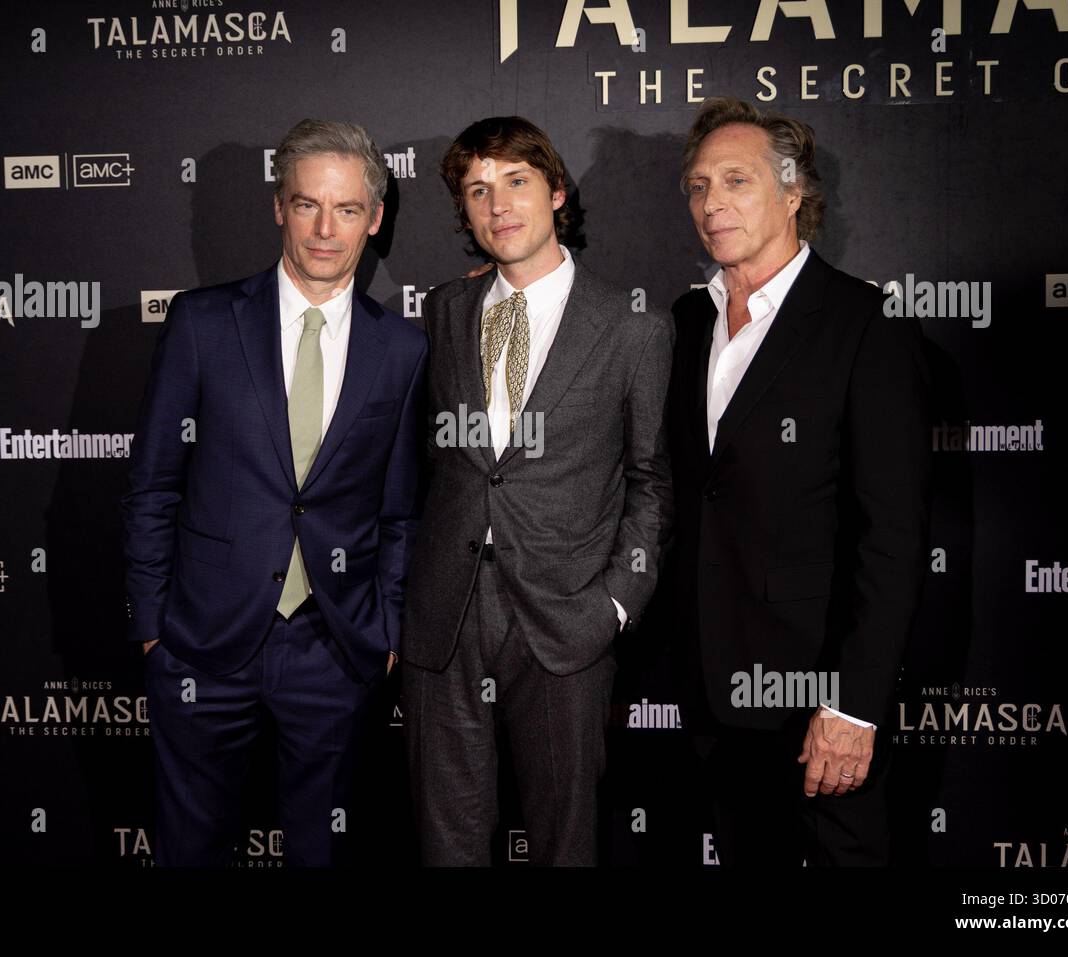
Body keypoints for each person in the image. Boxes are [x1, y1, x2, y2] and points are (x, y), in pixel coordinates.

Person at [121, 119, 427, 866]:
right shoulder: (201, 322)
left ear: (375, 217)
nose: (326, 229)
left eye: (348, 209)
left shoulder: (403, 348)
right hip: (199, 644)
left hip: (333, 646)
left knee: (321, 853)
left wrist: (384, 629)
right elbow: (154, 484)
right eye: (307, 205)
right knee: (189, 849)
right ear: (279, 207)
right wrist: (153, 626)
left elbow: (400, 508)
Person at [402, 116, 674, 866]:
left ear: (556, 192)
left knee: (565, 843)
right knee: (444, 842)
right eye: (478, 191)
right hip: (445, 614)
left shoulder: (632, 328)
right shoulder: (443, 311)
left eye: (516, 182)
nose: (499, 206)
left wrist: (613, 605)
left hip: (566, 615)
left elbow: (652, 485)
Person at [668, 97, 931, 866]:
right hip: (713, 692)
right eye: (697, 185)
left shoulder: (863, 324)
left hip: (818, 695)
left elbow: (894, 536)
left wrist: (853, 703)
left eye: (736, 181)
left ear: (794, 194)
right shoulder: (687, 322)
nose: (711, 202)